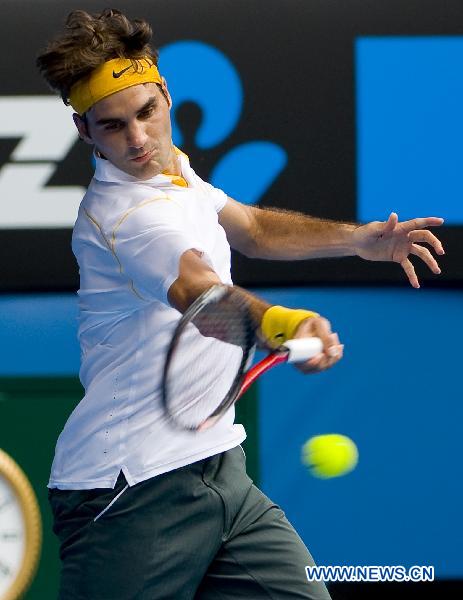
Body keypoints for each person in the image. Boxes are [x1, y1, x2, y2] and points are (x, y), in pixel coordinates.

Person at [37, 8, 444, 600]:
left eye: (147, 113)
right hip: (131, 490)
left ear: (166, 95)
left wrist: (360, 241)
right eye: (113, 126)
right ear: (84, 132)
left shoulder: (172, 171)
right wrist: (281, 324)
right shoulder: (127, 216)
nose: (138, 139)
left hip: (220, 469)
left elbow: (250, 227)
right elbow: (199, 291)